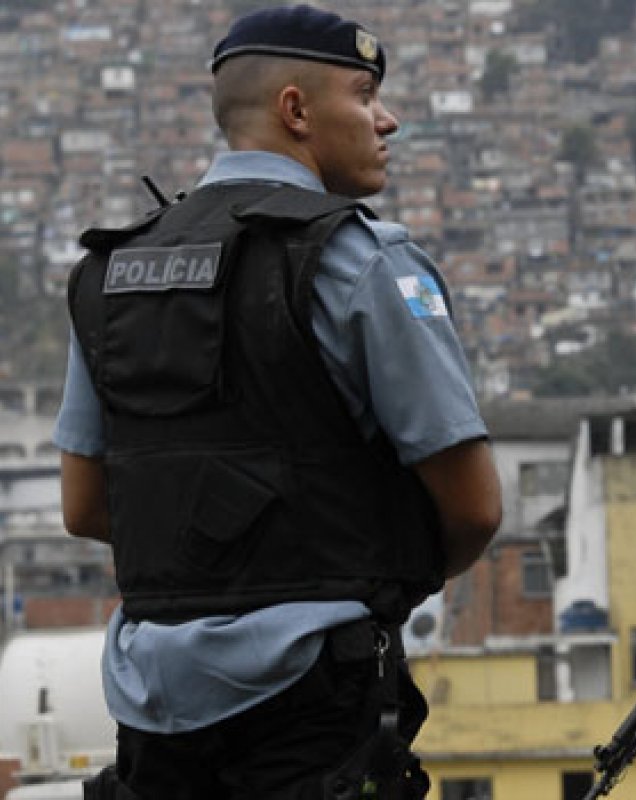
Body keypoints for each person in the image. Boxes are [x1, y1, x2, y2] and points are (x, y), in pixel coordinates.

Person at [54, 5, 502, 798]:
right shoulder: (363, 262)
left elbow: (87, 506)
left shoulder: (110, 273)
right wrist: (347, 572)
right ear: (296, 110)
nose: (387, 119)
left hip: (152, 707)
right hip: (313, 702)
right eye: (365, 95)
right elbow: (473, 509)